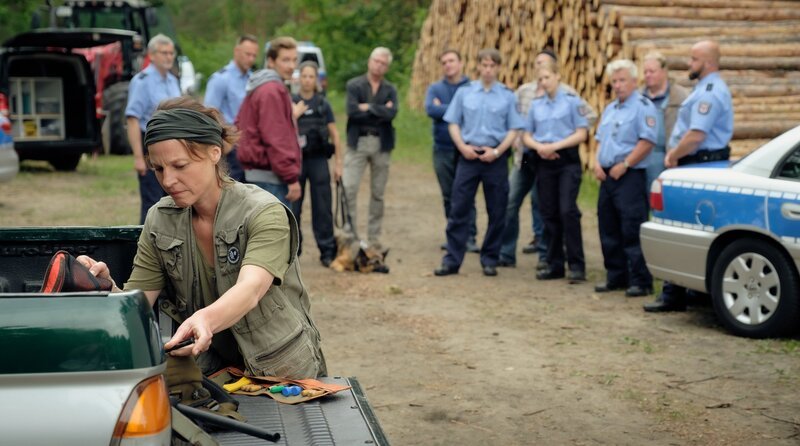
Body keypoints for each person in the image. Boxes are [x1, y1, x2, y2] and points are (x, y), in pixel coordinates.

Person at [78, 97, 327, 379]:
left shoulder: (263, 212)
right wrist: (107, 286)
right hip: (212, 374)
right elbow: (138, 307)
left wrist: (205, 319)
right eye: (158, 169)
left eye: (180, 165)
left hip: (283, 372)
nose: (168, 180)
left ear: (214, 153)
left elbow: (252, 288)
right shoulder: (160, 220)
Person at [645, 40, 733, 313]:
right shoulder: (707, 88)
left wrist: (673, 155)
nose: (688, 63)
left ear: (707, 63)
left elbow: (696, 134)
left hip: (697, 163)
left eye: (693, 59)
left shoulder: (708, 92)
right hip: (702, 162)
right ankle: (689, 291)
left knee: (678, 223)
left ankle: (673, 294)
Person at [500, 49, 597, 270]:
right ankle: (508, 252)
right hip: (526, 157)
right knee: (517, 198)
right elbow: (516, 123)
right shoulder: (525, 93)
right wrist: (525, 141)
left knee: (552, 205)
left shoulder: (570, 96)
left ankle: (550, 254)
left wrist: (555, 145)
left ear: (556, 72)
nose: (541, 76)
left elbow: (587, 121)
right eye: (537, 67)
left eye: (545, 68)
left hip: (559, 157)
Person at [434, 48, 524, 277]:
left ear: (498, 68)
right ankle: (452, 260)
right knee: (459, 207)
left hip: (495, 157)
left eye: (492, 66)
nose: (488, 70)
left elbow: (514, 129)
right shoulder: (466, 93)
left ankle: (490, 258)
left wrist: (497, 151)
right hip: (469, 156)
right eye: (484, 65)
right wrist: (462, 147)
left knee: (497, 210)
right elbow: (453, 122)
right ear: (478, 67)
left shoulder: (507, 96)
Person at [593, 59, 658, 297]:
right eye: (615, 81)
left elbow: (647, 141)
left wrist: (626, 164)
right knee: (607, 225)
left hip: (629, 175)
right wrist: (596, 162)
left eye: (622, 80)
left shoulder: (643, 106)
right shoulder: (611, 109)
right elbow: (600, 139)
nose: (618, 85)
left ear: (634, 81)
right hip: (607, 175)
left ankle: (640, 280)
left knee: (631, 227)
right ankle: (615, 275)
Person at [523, 62, 589, 283]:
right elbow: (526, 134)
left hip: (566, 160)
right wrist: (539, 147)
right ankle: (555, 263)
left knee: (567, 210)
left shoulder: (572, 102)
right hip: (544, 161)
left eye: (547, 77)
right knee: (548, 212)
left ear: (558, 77)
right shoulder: (536, 105)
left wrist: (556, 146)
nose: (544, 82)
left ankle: (577, 265)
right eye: (540, 79)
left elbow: (581, 133)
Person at [343, 47, 398, 249]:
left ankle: (374, 237)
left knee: (378, 192)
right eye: (376, 61)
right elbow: (352, 111)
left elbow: (392, 114)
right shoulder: (354, 85)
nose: (379, 65)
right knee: (349, 188)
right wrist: (381, 109)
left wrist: (367, 107)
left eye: (383, 63)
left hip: (381, 143)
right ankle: (350, 236)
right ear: (369, 61)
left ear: (387, 67)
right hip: (357, 141)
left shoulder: (390, 88)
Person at [236, 36, 301, 207]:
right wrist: (291, 177)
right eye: (285, 60)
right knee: (275, 232)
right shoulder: (271, 90)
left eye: (294, 60)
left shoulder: (259, 85)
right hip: (271, 179)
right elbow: (276, 138)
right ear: (271, 61)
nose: (292, 66)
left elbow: (239, 123)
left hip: (259, 175)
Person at [425, 49, 479, 254]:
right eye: (444, 62)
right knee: (448, 195)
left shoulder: (471, 88)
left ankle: (470, 236)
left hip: (466, 149)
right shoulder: (435, 88)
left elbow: (470, 112)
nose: (448, 65)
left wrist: (445, 109)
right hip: (443, 148)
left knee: (466, 194)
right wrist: (457, 109)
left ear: (461, 63)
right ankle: (455, 236)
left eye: (451, 61)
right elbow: (431, 109)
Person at [126, 33, 182, 224]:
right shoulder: (143, 81)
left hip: (173, 146)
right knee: (152, 203)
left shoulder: (172, 80)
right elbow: (133, 119)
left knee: (174, 200)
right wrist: (138, 157)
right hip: (150, 145)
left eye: (171, 53)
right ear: (152, 54)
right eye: (164, 53)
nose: (169, 57)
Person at [291, 61, 343, 266]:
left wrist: (338, 164)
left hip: (319, 160)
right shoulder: (291, 102)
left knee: (323, 207)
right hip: (297, 162)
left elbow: (335, 135)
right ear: (299, 78)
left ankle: (327, 251)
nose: (307, 80)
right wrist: (295, 115)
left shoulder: (323, 104)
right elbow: (282, 130)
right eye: (304, 76)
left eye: (311, 76)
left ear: (317, 80)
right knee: (293, 207)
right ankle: (294, 250)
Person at [204, 34, 260, 182]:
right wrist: (225, 144)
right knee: (232, 194)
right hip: (231, 146)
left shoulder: (253, 79)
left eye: (254, 55)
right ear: (236, 51)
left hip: (250, 145)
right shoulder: (221, 79)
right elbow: (209, 114)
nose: (251, 59)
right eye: (247, 54)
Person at [640, 50, 689, 190]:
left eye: (652, 71)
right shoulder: (638, 97)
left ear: (664, 71)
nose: (647, 75)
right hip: (639, 157)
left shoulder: (680, 97)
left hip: (667, 157)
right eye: (645, 72)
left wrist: (676, 154)